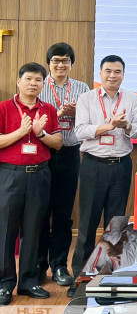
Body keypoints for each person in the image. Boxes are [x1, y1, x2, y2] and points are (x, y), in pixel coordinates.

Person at [71, 55, 137, 296]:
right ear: (100, 73)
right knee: (88, 224)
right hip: (93, 165)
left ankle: (111, 276)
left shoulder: (132, 99)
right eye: (108, 71)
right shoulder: (86, 98)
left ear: (123, 74)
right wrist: (109, 126)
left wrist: (126, 127)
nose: (113, 76)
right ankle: (80, 279)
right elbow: (80, 131)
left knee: (116, 225)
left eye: (118, 71)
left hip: (121, 166)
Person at [0, 62, 63, 304]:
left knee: (34, 229)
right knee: (6, 230)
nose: (33, 83)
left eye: (38, 80)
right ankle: (5, 284)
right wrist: (20, 132)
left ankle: (28, 281)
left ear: (43, 84)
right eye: (28, 79)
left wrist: (40, 133)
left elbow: (58, 143)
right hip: (10, 175)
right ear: (19, 81)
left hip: (39, 174)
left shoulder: (48, 109)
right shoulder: (4, 108)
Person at [37, 43, 89, 287]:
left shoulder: (82, 88)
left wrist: (76, 112)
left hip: (69, 154)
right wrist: (56, 114)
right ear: (49, 63)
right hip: (43, 152)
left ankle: (59, 265)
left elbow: (91, 120)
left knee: (63, 213)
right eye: (56, 60)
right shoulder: (38, 86)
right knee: (38, 213)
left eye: (66, 60)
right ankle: (38, 265)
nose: (61, 65)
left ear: (72, 63)